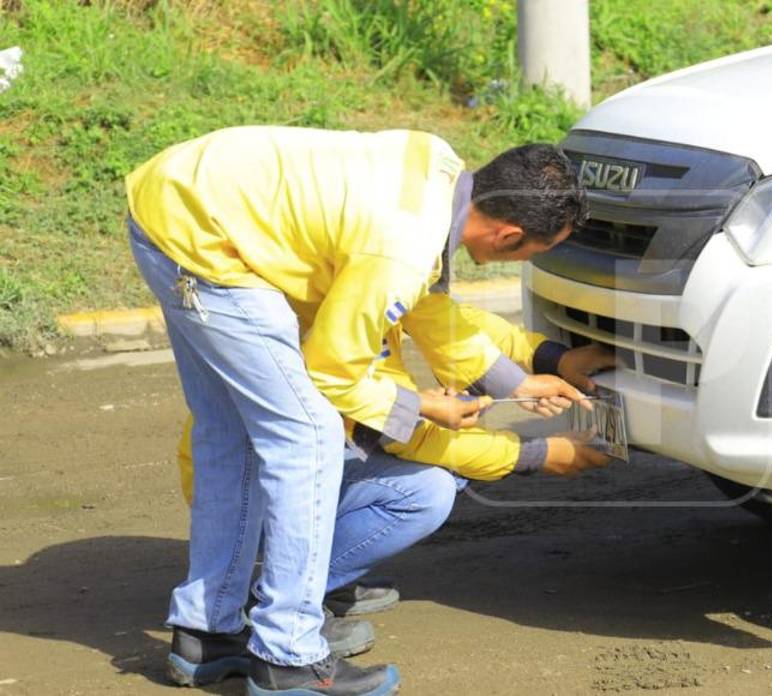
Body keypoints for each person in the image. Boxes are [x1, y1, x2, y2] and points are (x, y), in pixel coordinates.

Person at [126, 126, 597, 695]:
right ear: (508, 235)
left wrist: (514, 382)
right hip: (202, 242)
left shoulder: (439, 172)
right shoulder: (393, 255)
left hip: (180, 205)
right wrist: (425, 406)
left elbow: (430, 305)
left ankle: (208, 633)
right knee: (309, 437)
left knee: (236, 435)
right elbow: (334, 373)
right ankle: (287, 655)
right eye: (537, 251)